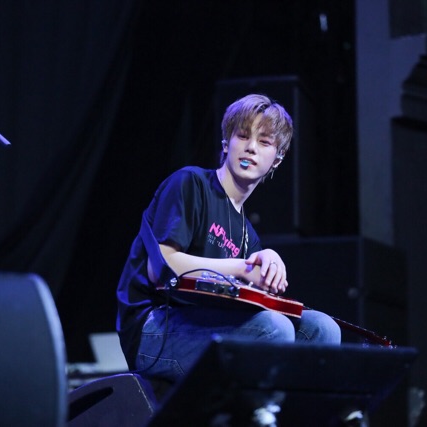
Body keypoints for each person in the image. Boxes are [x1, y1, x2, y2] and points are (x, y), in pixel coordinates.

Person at [116, 94, 341, 385]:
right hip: (154, 328)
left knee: (323, 329)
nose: (251, 147)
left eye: (264, 142)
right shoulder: (190, 183)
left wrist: (268, 264)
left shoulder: (248, 235)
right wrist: (243, 268)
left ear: (278, 158)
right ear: (226, 143)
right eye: (243, 136)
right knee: (274, 329)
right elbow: (162, 267)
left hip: (206, 322)